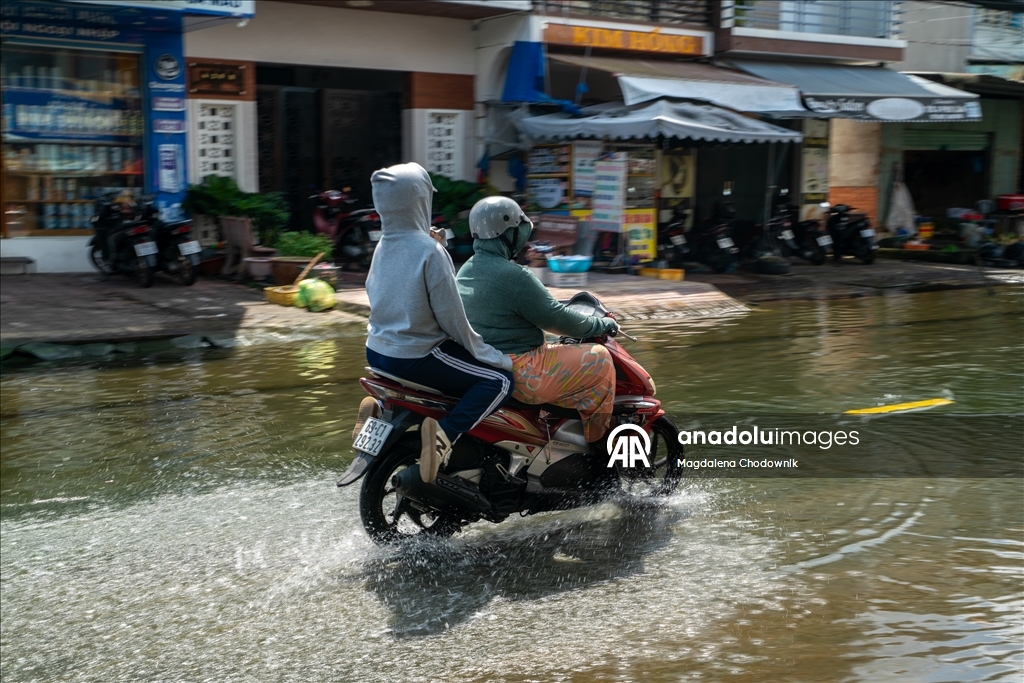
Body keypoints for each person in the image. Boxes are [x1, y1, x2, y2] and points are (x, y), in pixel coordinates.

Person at [361, 163, 513, 483]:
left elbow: (384, 291)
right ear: (419, 201)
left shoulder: (383, 245)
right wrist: (488, 353)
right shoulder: (429, 251)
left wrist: (434, 246)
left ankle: (378, 408)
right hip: (415, 356)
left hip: (376, 351)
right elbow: (451, 317)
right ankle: (444, 436)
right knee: (498, 381)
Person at [456, 196, 618, 445]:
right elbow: (558, 319)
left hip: (486, 363)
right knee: (601, 359)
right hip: (524, 372)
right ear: (507, 233)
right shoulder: (515, 276)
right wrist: (602, 324)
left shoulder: (466, 270)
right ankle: (601, 452)